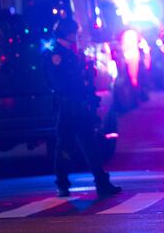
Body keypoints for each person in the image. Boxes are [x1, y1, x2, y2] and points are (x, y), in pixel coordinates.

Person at [44, 17, 122, 197]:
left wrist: (89, 96)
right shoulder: (55, 54)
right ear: (67, 33)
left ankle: (98, 183)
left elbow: (81, 79)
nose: (76, 36)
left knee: (88, 144)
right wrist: (81, 97)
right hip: (69, 105)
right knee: (67, 146)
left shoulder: (68, 52)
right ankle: (65, 184)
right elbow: (59, 83)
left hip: (78, 104)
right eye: (74, 33)